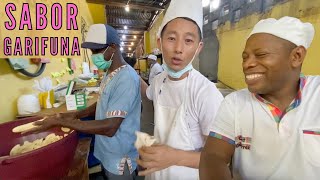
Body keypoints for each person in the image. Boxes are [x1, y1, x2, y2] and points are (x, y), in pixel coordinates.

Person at [200, 16, 318, 180]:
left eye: (261, 55)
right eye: (245, 57)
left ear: (296, 56)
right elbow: (213, 156)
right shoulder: (235, 104)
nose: (247, 64)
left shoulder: (316, 95)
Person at [26, 24, 141, 180]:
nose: (93, 56)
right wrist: (76, 114)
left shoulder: (126, 78)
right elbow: (103, 102)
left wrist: (64, 123)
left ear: (113, 47)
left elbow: (110, 127)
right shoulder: (110, 73)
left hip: (119, 155)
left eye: (96, 51)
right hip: (107, 150)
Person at [137, 0, 224, 179]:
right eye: (171, 38)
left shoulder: (205, 93)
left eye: (188, 41)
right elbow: (148, 95)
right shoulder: (159, 81)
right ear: (159, 42)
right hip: (156, 173)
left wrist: (174, 157)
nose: (178, 49)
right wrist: (132, 76)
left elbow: (220, 160)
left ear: (198, 47)